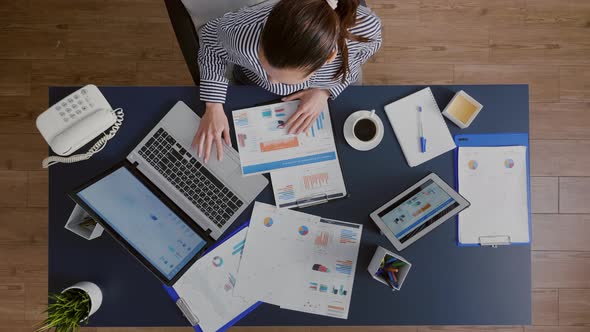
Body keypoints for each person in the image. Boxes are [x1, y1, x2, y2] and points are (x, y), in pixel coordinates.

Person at [193, 0, 382, 162]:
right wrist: (213, 106)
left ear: (329, 58)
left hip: (324, 89)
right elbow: (210, 43)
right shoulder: (240, 32)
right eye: (265, 66)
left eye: (285, 79)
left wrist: (325, 91)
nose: (272, 83)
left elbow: (370, 47)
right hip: (251, 86)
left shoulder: (363, 29)